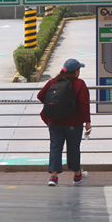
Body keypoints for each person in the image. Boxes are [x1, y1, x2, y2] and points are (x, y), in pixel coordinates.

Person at [38, 58, 92, 186]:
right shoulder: (79, 84)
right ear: (76, 71)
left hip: (54, 122)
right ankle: (77, 176)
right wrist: (87, 122)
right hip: (74, 122)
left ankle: (53, 178)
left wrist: (55, 106)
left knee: (55, 147)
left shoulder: (53, 81)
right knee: (73, 148)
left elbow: (40, 96)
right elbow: (84, 104)